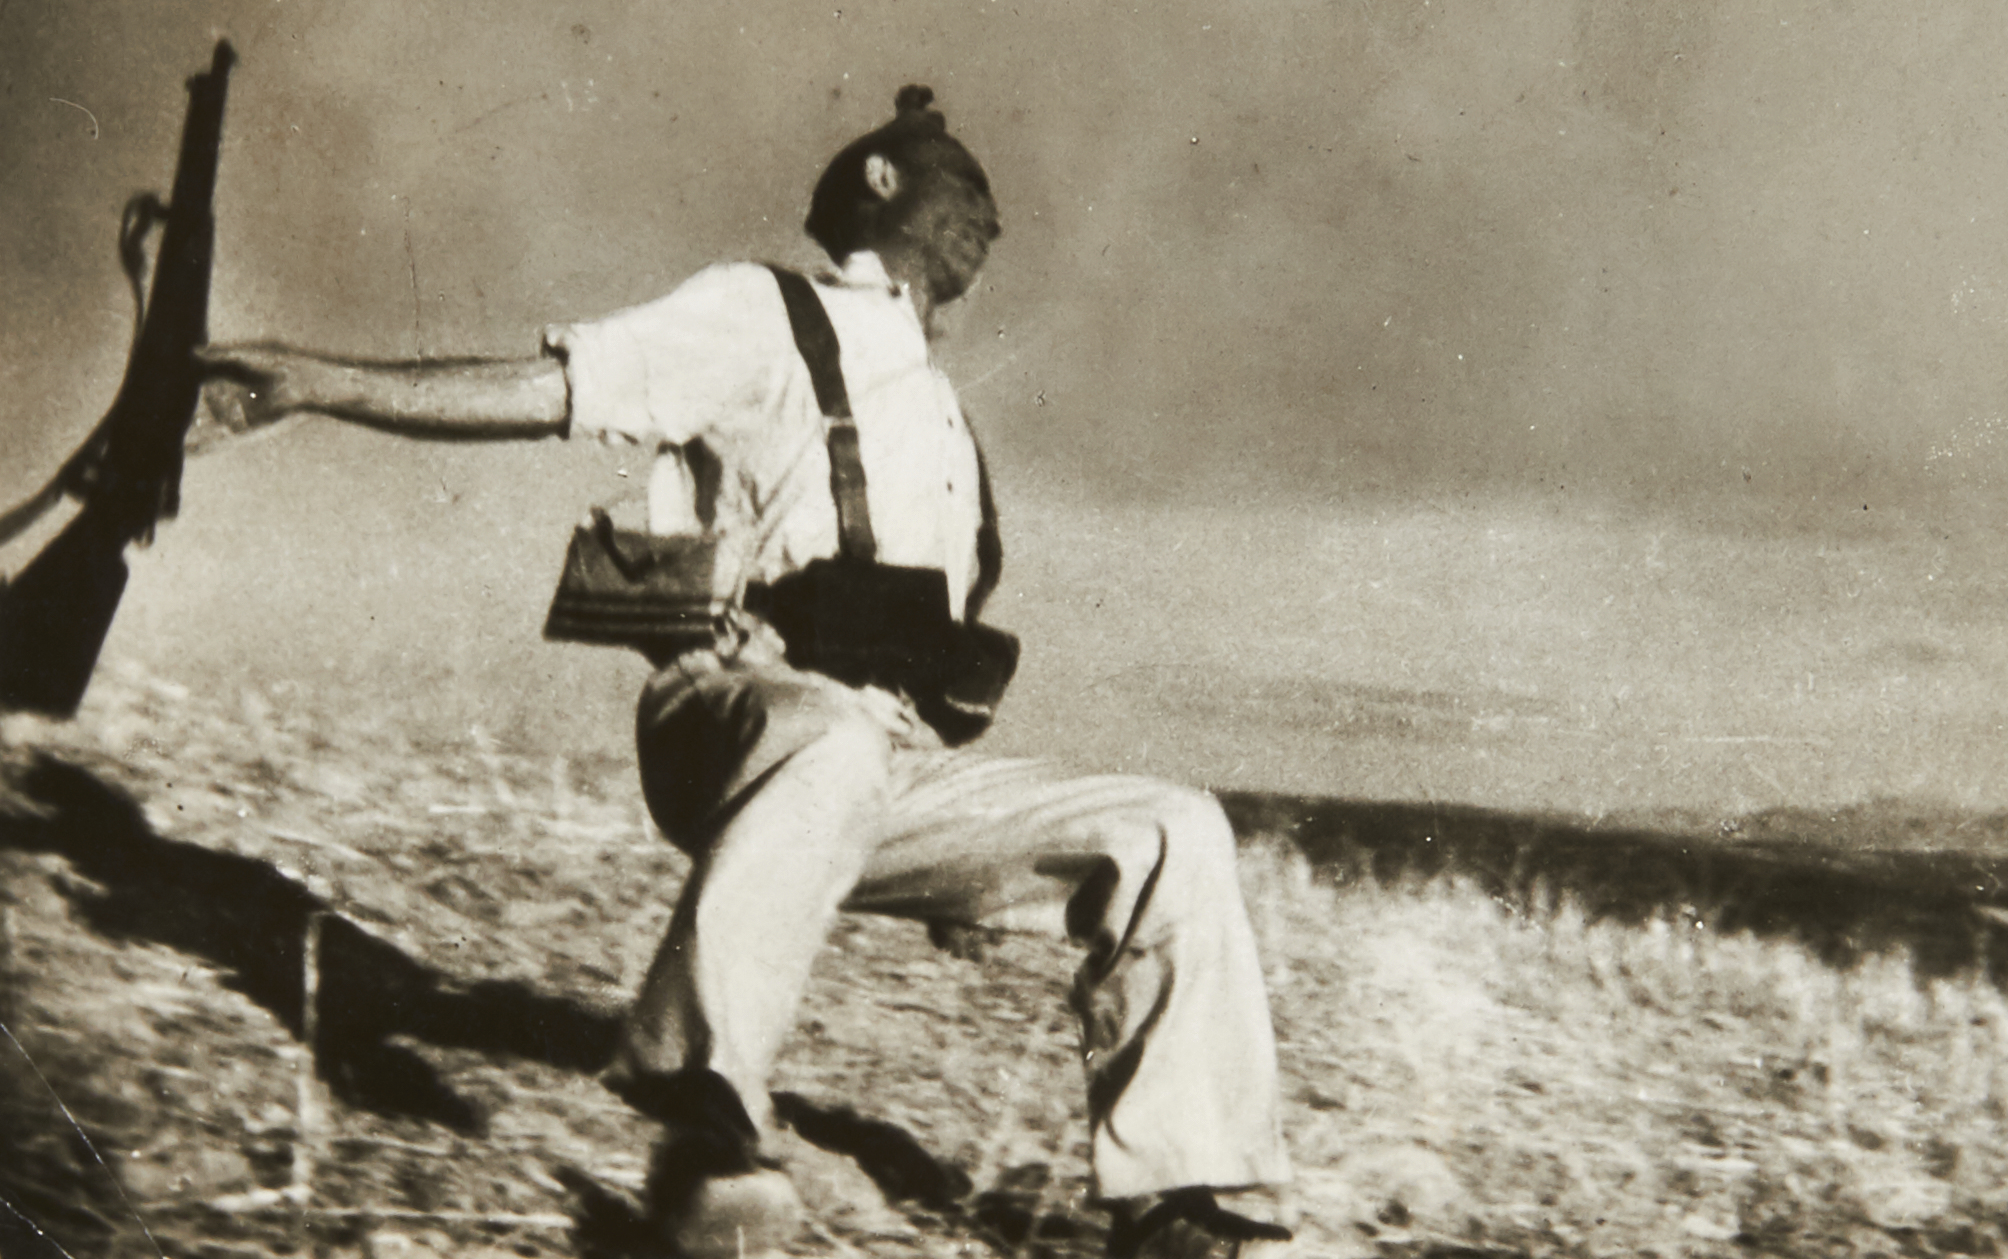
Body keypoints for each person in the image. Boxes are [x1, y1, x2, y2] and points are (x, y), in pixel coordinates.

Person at [197, 86, 1294, 1259]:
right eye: (971, 188)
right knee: (829, 736)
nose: (994, 220)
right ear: (883, 182)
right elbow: (553, 390)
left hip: (875, 766)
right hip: (731, 710)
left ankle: (1185, 1209)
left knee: (1173, 827)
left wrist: (980, 867)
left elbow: (929, 663)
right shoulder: (764, 313)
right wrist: (319, 383)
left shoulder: (945, 427)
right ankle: (706, 1122)